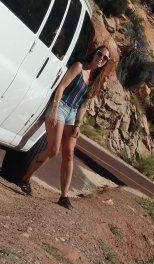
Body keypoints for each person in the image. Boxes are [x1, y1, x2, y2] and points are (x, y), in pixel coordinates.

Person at [18, 44, 114, 209]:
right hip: (60, 106)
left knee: (69, 153)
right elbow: (61, 87)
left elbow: (83, 104)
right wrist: (54, 110)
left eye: (105, 58)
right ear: (94, 53)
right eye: (100, 54)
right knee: (53, 150)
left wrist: (78, 124)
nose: (101, 59)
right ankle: (25, 179)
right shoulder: (79, 67)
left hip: (73, 113)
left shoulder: (94, 79)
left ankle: (64, 196)